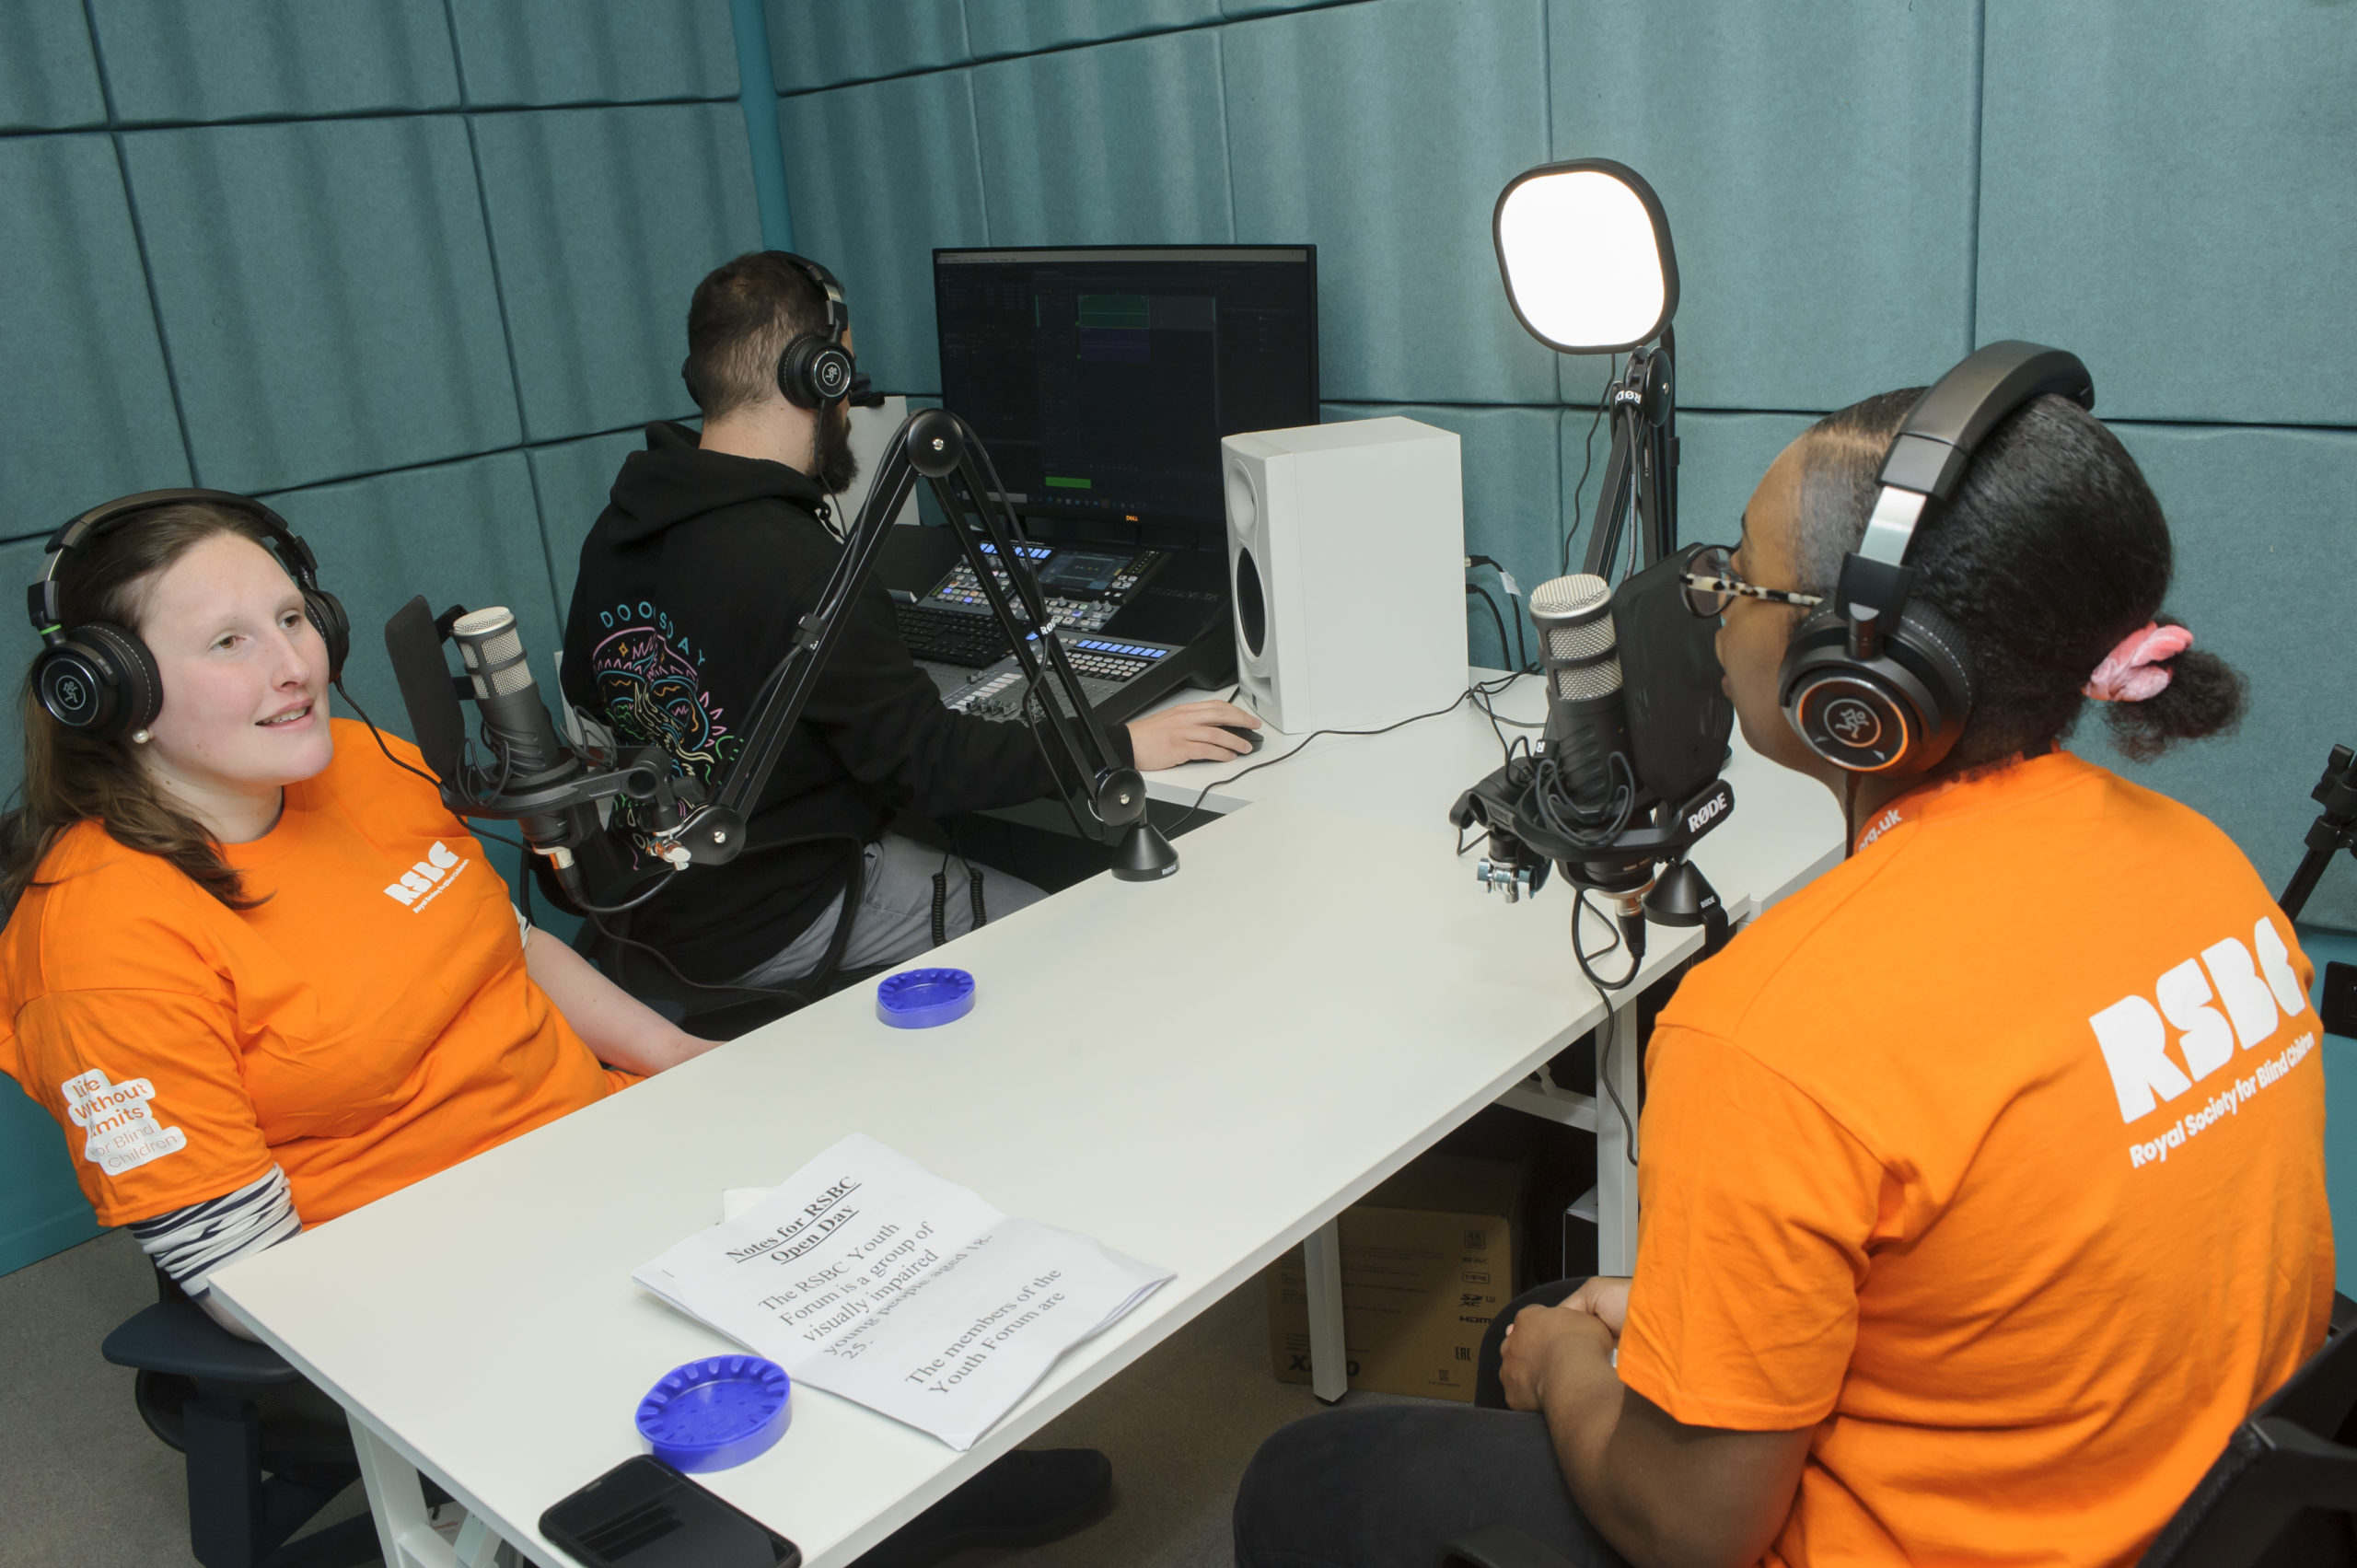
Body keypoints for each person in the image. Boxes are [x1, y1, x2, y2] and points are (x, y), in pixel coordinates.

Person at [1232, 375, 2335, 1567]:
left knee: (1312, 1471)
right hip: (2172, 1504)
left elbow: (1693, 1529)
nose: (1713, 614)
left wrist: (1566, 1366)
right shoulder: (2202, 863)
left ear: (1866, 677)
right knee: (1535, 1311)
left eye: (1737, 583)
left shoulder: (1775, 1026)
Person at [0, 494, 717, 1336]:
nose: (295, 666)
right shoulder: (98, 941)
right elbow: (248, 1277)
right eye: (230, 641)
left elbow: (507, 948)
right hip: (438, 1283)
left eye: (293, 618)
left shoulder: (369, 769)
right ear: (115, 694)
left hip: (602, 1165)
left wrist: (683, 1058)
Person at [559, 250, 1257, 1000]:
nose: (851, 401)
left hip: (655, 910)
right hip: (781, 915)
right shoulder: (801, 566)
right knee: (1077, 951)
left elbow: (587, 689)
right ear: (816, 376)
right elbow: (931, 763)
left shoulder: (619, 528)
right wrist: (1117, 745)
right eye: (846, 377)